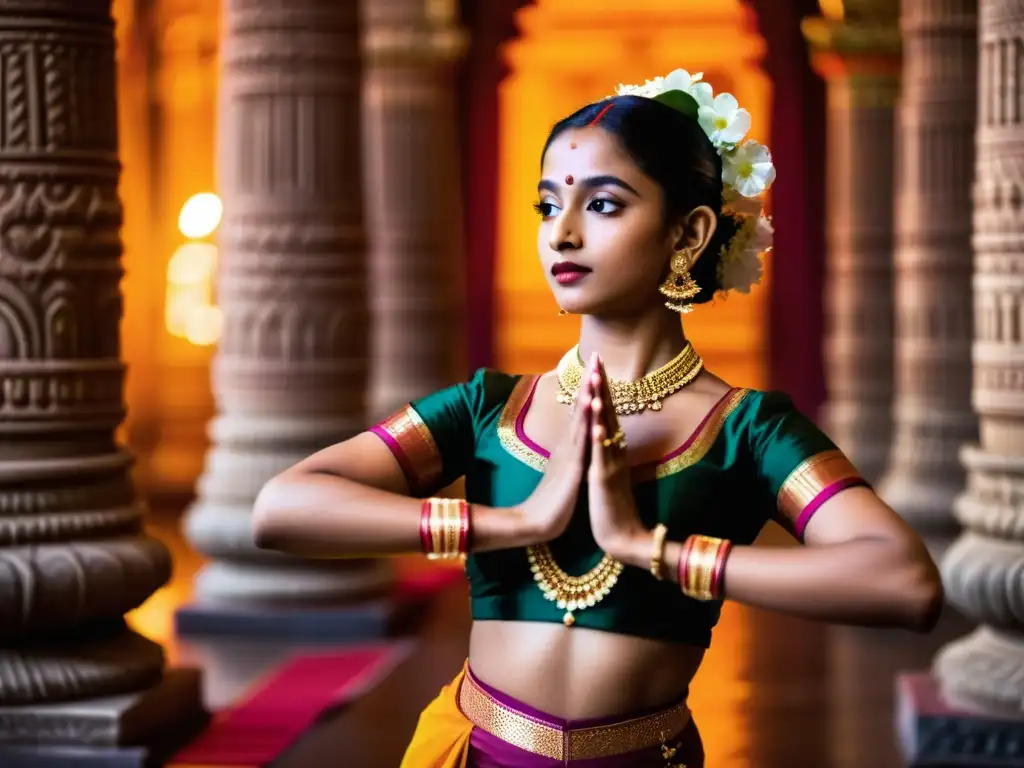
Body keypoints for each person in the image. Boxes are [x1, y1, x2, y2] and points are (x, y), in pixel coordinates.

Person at [252, 69, 943, 767]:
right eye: (548, 207)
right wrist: (511, 524)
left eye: (604, 206)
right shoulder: (491, 407)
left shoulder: (747, 431)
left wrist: (657, 551)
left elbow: (905, 584)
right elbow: (281, 509)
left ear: (689, 232)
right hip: (474, 751)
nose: (564, 234)